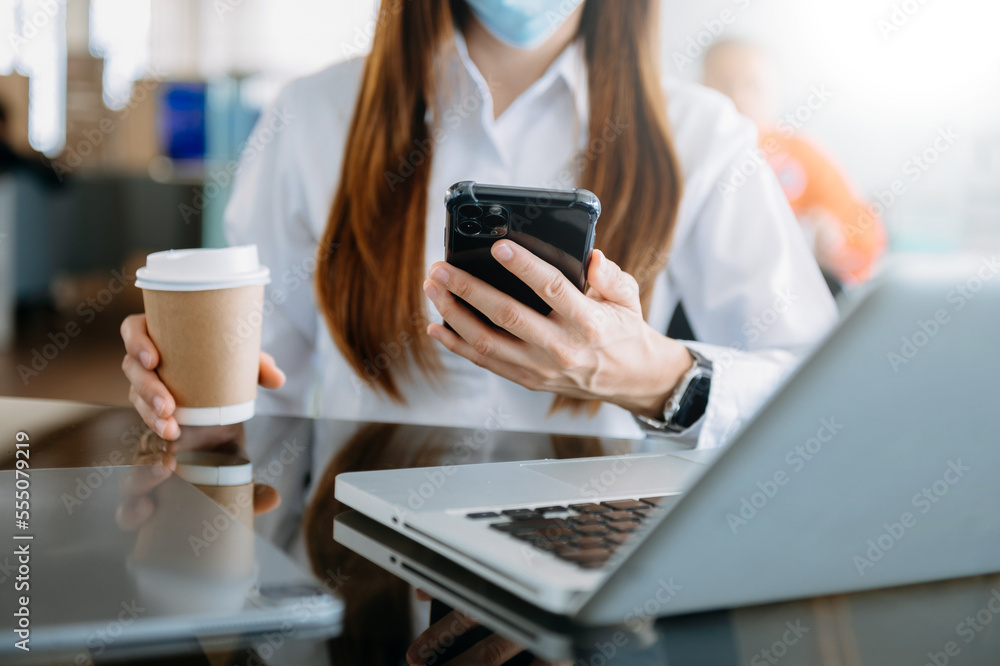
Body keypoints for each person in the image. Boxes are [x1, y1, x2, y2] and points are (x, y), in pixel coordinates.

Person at [119, 1, 837, 662]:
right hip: (351, 593)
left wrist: (659, 378)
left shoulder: (701, 134)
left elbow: (827, 393)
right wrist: (198, 410)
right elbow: (262, 397)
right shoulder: (310, 118)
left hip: (591, 591)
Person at [702, 39, 887, 288]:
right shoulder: (682, 155)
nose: (739, 97)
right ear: (700, 87)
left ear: (773, 92)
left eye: (753, 85)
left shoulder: (801, 154)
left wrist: (834, 238)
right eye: (723, 84)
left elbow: (867, 238)